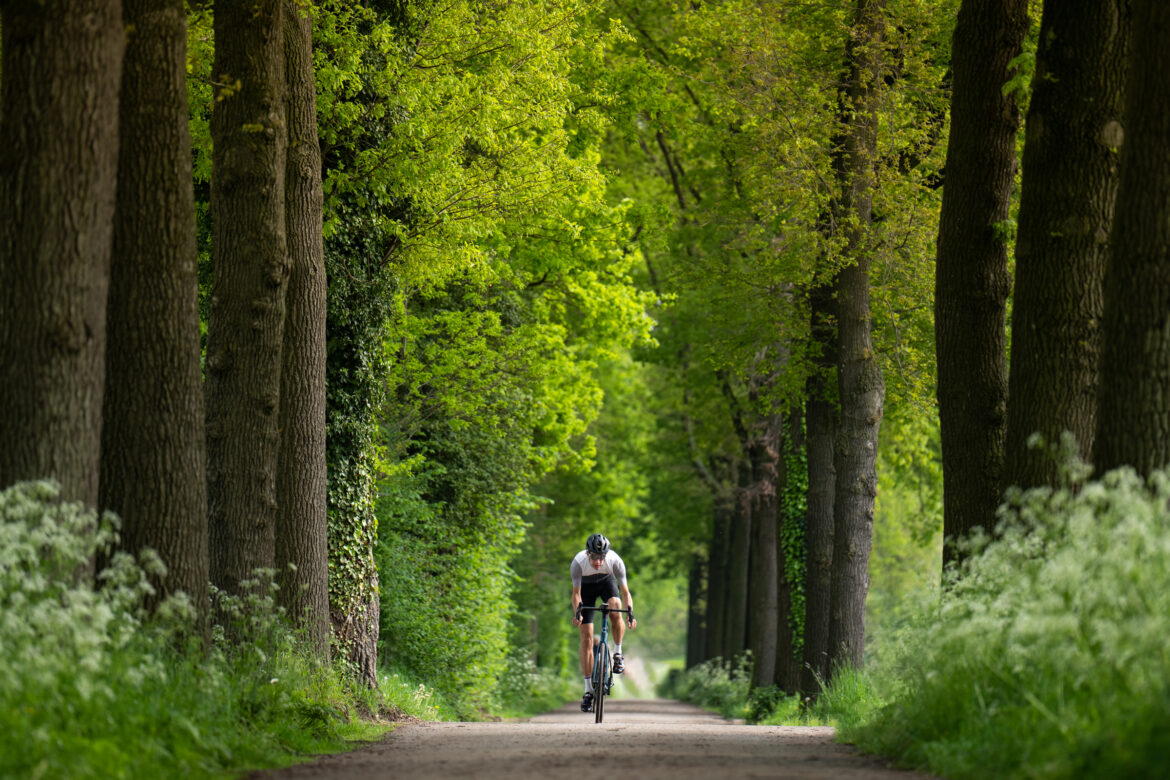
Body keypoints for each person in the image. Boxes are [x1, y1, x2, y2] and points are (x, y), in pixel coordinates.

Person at [570, 532, 636, 712]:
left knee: (616, 605)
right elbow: (576, 594)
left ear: (606, 555)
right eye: (594, 557)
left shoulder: (615, 561)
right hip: (586, 588)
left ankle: (617, 653)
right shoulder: (578, 563)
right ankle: (588, 691)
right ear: (587, 553)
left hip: (607, 582)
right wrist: (578, 613)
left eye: (601, 557)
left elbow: (625, 592)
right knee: (587, 638)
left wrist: (630, 613)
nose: (598, 562)